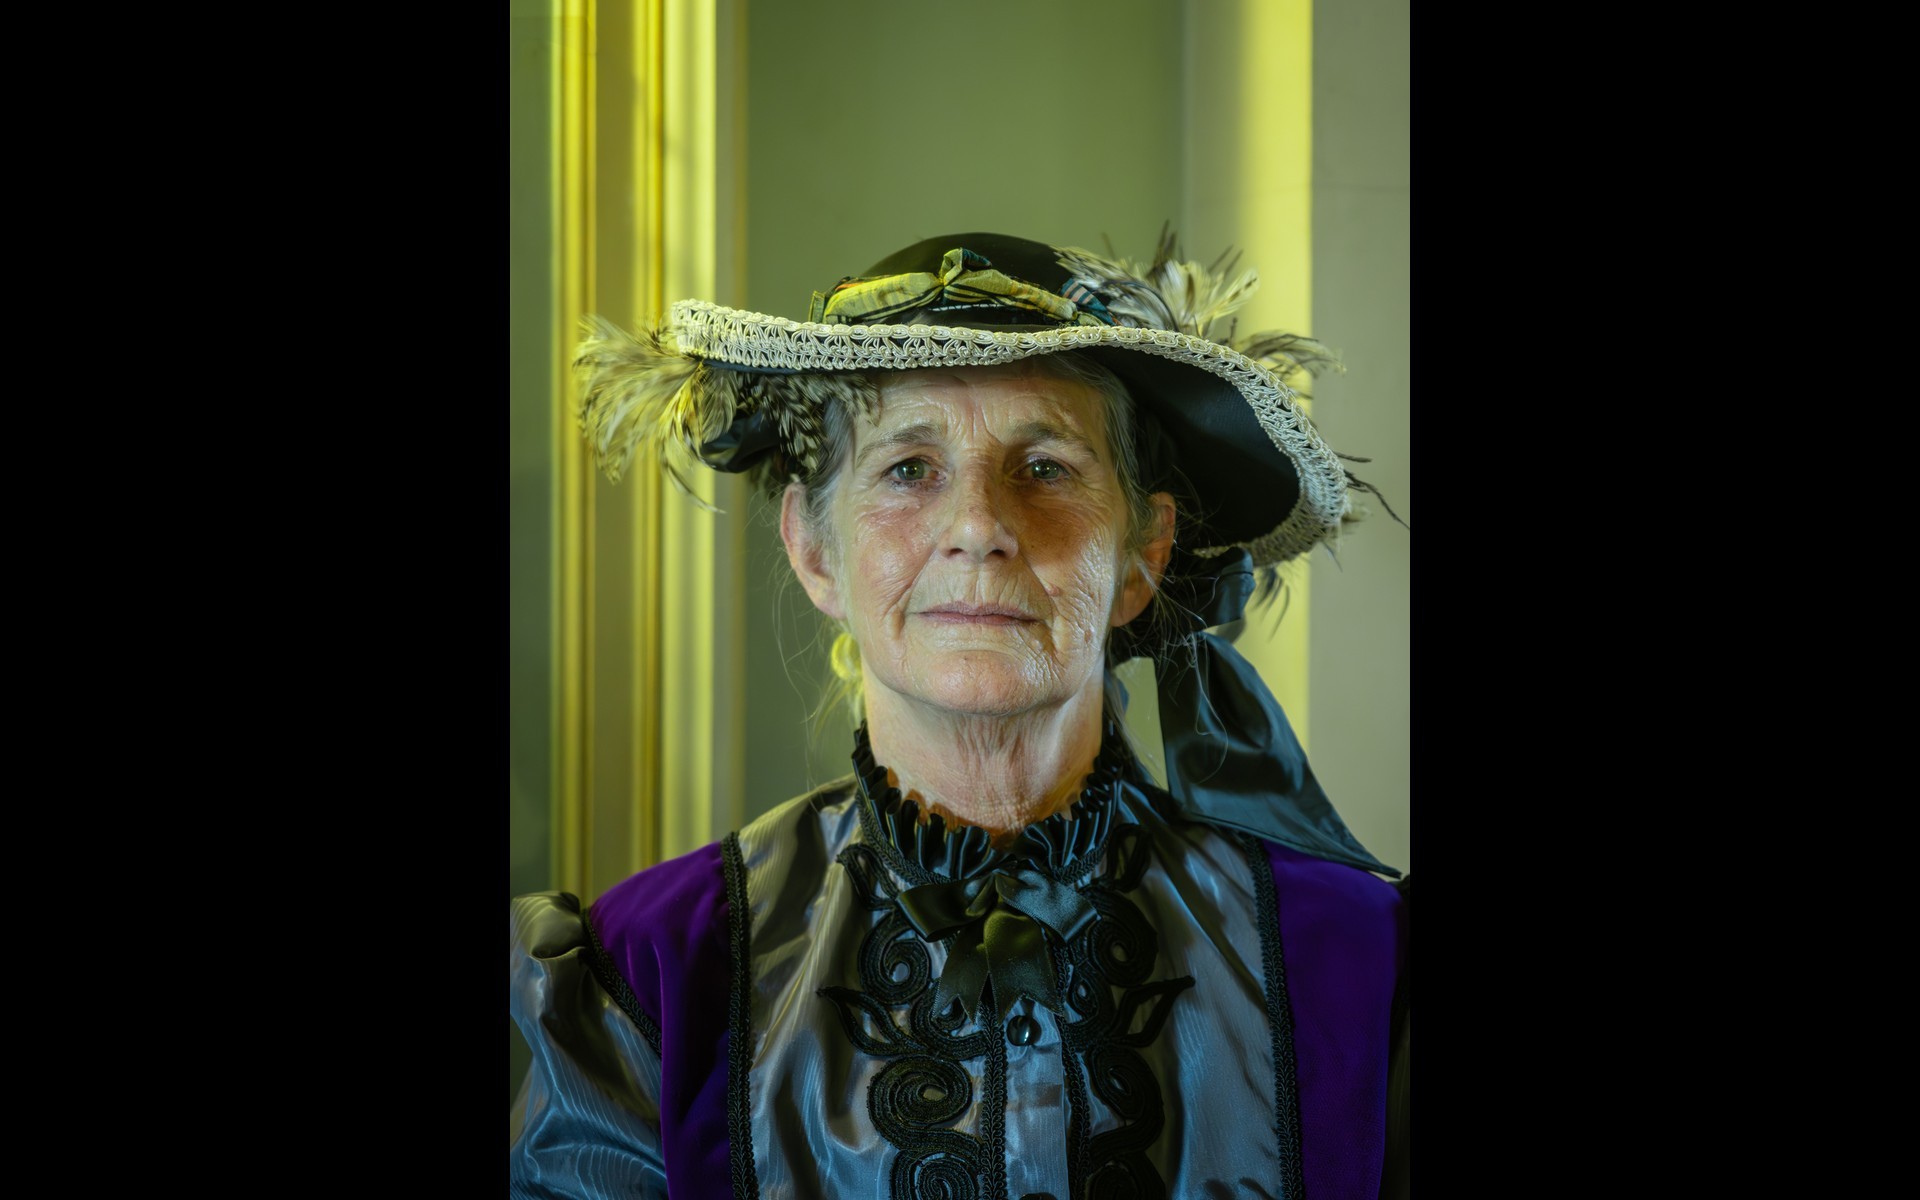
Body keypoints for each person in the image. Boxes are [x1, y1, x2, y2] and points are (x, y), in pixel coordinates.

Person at [510, 231, 1408, 1199]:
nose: (979, 526)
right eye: (909, 468)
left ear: (1143, 554)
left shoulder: (1359, 964)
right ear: (815, 550)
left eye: (1047, 467)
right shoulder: (645, 978)